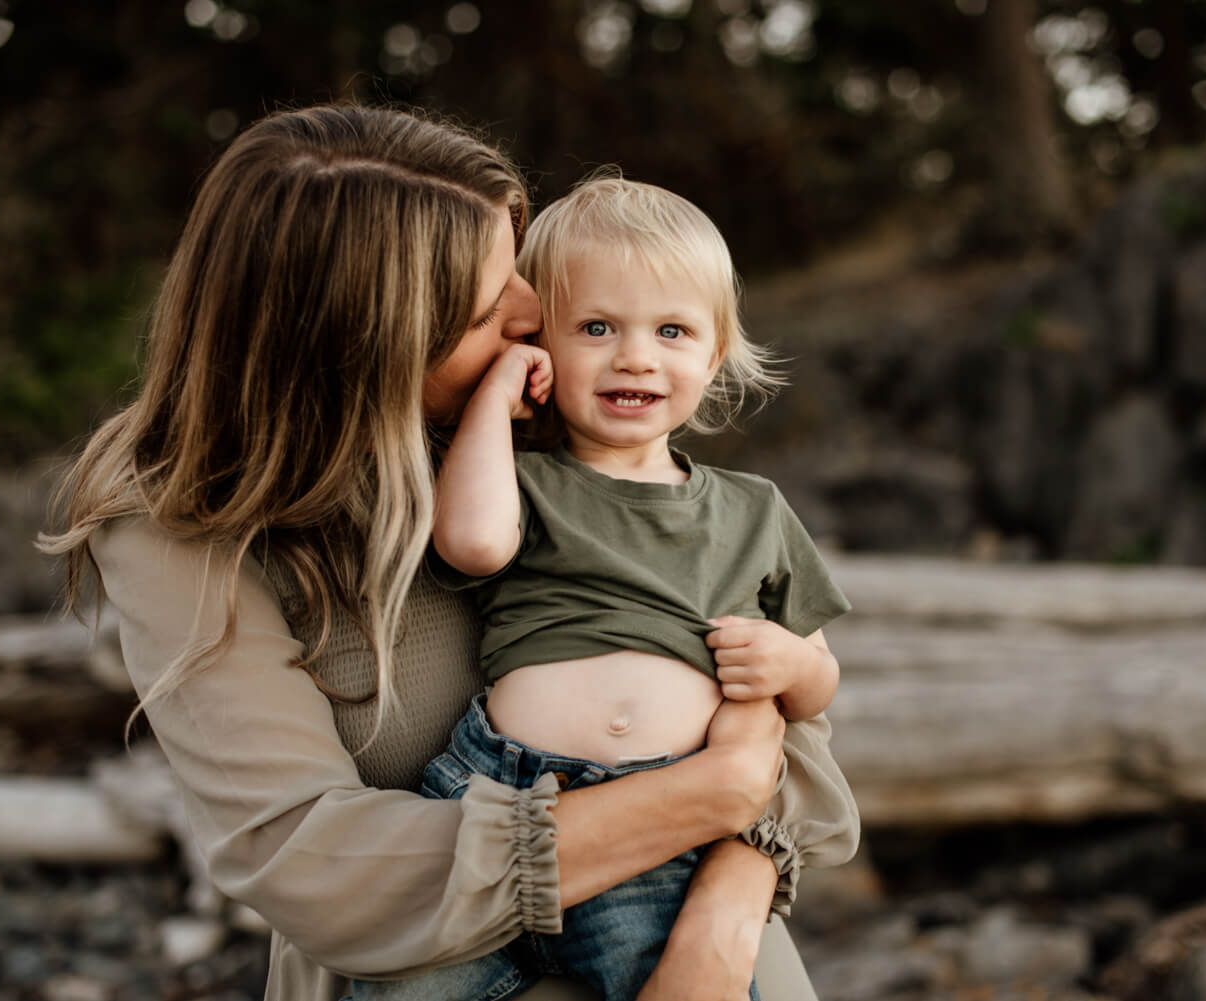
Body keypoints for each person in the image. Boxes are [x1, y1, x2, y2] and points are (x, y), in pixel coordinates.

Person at [41, 103, 859, 1001]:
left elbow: (779, 694)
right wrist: (712, 791)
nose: (534, 311)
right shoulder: (179, 508)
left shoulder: (564, 402)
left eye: (517, 270)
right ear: (364, 343)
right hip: (424, 962)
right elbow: (307, 858)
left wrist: (725, 909)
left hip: (691, 925)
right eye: (483, 305)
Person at [347, 175, 855, 1001]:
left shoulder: (752, 508)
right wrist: (496, 396)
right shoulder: (526, 479)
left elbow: (820, 676)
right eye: (596, 327)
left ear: (714, 353)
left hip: (660, 837)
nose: (635, 355)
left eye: (672, 330)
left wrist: (790, 666)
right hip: (491, 802)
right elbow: (472, 542)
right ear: (542, 344)